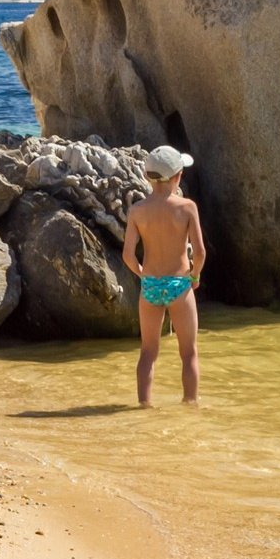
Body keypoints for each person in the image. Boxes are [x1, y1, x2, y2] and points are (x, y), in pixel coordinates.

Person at [122, 144, 207, 406]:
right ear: (177, 176)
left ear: (147, 176)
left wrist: (142, 274)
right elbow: (200, 252)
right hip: (180, 284)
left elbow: (128, 255)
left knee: (148, 352)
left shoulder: (137, 211)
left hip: (150, 285)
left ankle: (144, 406)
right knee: (188, 353)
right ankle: (190, 404)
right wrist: (195, 276)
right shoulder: (187, 207)